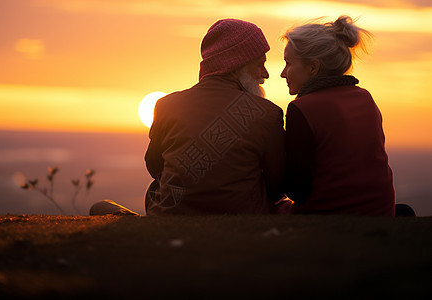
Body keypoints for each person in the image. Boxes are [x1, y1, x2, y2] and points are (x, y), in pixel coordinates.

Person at [90, 18, 286, 216]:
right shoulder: (268, 113)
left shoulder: (166, 105)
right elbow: (277, 186)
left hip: (168, 219)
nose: (266, 74)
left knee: (101, 207)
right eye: (260, 64)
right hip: (244, 221)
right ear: (236, 65)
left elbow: (155, 167)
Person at [279, 15, 397, 216]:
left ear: (313, 67)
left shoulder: (302, 108)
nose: (282, 73)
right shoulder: (365, 98)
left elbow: (297, 190)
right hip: (381, 211)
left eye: (288, 63)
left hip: (329, 215)